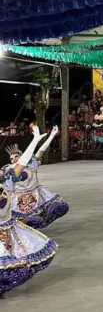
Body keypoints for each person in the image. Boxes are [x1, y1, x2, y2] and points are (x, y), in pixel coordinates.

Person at [0, 126, 58, 296]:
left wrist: (34, 140)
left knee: (18, 266)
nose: (11, 165)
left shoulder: (8, 183)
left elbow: (23, 162)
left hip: (9, 229)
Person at [4, 125, 69, 230]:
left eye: (16, 157)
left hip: (37, 196)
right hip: (20, 202)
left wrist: (51, 136)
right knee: (32, 221)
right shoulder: (9, 170)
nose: (14, 159)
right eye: (11, 158)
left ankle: (43, 221)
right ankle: (28, 223)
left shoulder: (31, 165)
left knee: (61, 207)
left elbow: (41, 151)